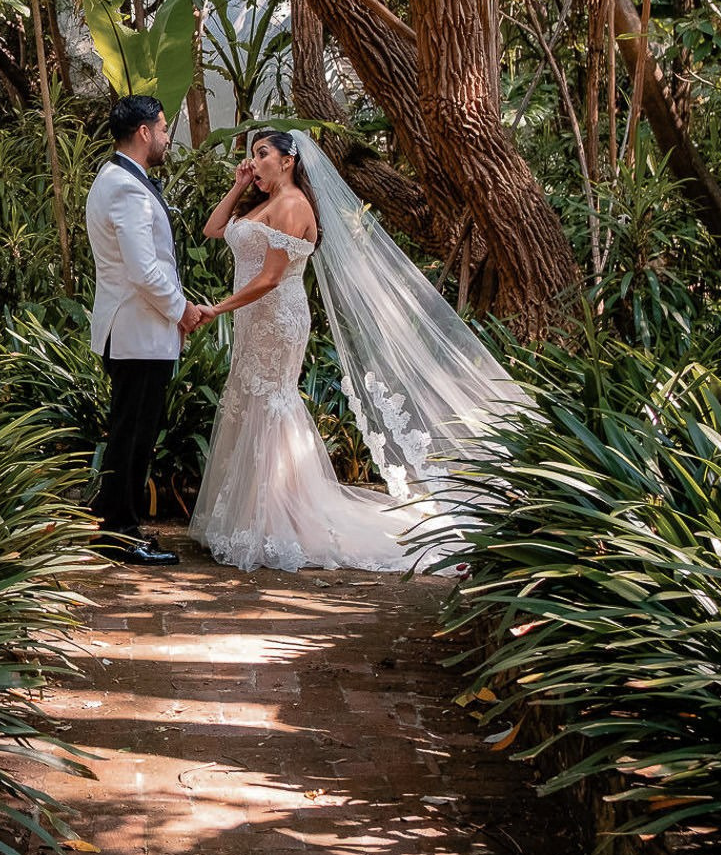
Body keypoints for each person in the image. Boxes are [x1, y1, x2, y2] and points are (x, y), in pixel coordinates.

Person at [185, 130, 531, 572]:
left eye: (263, 153)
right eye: (252, 155)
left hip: (277, 318)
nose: (254, 162)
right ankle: (259, 511)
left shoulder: (292, 205)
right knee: (251, 399)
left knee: (272, 401)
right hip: (255, 319)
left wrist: (217, 308)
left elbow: (272, 277)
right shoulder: (262, 202)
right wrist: (237, 185)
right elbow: (213, 229)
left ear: (289, 160)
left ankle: (279, 515)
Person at [83, 95, 208, 567]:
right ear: (143, 132)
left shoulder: (118, 179)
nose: (166, 136)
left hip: (137, 330)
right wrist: (183, 310)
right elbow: (144, 270)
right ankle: (120, 532)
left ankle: (115, 518)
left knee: (131, 431)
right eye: (162, 127)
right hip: (137, 330)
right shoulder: (125, 188)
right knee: (132, 435)